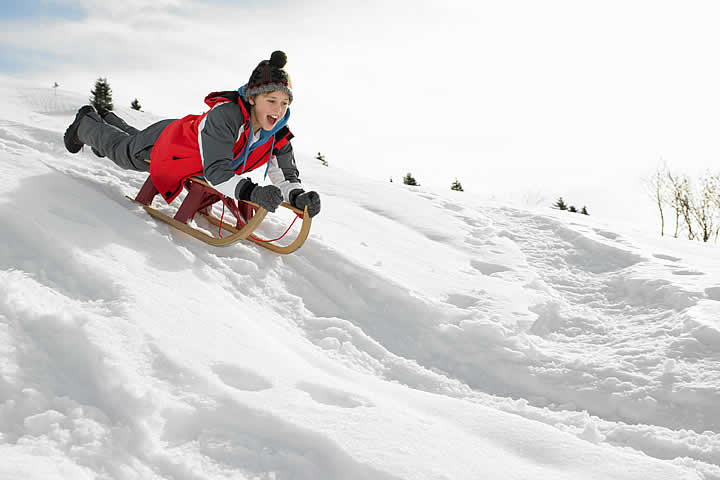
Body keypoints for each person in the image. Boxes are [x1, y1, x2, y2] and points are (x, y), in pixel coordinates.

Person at [63, 51, 321, 218]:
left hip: (190, 150)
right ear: (253, 98)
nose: (278, 110)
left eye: (284, 103)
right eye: (271, 100)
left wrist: (298, 196)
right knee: (124, 153)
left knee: (130, 140)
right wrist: (252, 193)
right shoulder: (226, 117)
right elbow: (217, 173)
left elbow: (285, 175)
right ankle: (85, 124)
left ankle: (107, 120)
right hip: (170, 143)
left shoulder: (278, 133)